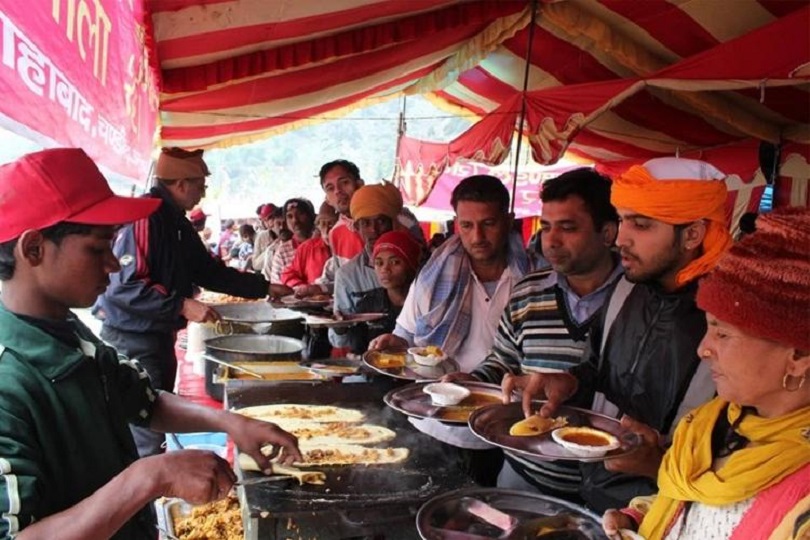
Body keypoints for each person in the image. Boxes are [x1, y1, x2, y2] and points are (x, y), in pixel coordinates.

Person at [0, 148, 301, 540]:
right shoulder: (9, 381)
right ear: (34, 248)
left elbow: (144, 399)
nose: (113, 263)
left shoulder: (68, 331)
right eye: (98, 247)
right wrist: (150, 476)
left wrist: (231, 422)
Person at [503, 157, 734, 512]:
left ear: (692, 234)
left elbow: (740, 458)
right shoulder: (628, 288)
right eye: (623, 219)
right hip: (593, 493)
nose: (621, 238)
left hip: (666, 513)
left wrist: (657, 464)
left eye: (640, 225)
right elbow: (599, 364)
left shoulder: (729, 322)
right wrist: (568, 380)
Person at [603, 208, 810, 540]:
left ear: (798, 357)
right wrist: (638, 518)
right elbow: (694, 506)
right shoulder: (709, 425)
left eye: (723, 334)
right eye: (708, 327)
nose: (703, 349)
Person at [95, 147, 292, 457]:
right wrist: (181, 305)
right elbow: (125, 286)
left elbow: (207, 270)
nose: (203, 192)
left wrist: (265, 286)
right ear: (181, 184)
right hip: (133, 339)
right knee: (146, 428)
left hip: (156, 336)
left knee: (154, 419)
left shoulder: (176, 222)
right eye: (201, 184)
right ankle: (148, 497)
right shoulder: (147, 216)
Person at [450, 168, 623, 500]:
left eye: (568, 228)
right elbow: (503, 361)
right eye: (546, 227)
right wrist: (469, 383)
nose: (551, 241)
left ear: (607, 232)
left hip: (608, 488)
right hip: (522, 474)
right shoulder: (528, 291)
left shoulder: (638, 299)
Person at [371, 175, 535, 486]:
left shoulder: (533, 278)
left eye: (488, 223)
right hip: (435, 422)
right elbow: (405, 335)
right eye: (467, 225)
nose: (477, 236)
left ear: (509, 220)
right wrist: (393, 342)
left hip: (501, 427)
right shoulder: (434, 276)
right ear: (455, 223)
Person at [304, 159, 424, 297]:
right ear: (327, 199)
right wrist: (321, 289)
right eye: (330, 188)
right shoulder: (335, 234)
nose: (338, 191)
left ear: (359, 184)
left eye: (344, 183)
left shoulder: (399, 217)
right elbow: (345, 281)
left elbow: (422, 263)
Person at [329, 183, 403, 351]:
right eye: (366, 223)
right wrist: (339, 327)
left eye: (381, 221)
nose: (374, 230)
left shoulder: (417, 266)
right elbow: (338, 342)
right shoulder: (348, 275)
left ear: (394, 223)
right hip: (366, 366)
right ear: (357, 228)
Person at [341, 230, 422, 354]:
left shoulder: (425, 305)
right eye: (379, 263)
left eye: (395, 262)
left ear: (411, 265)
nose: (385, 269)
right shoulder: (366, 306)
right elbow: (358, 353)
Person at [282, 201, 337, 292]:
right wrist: (304, 288)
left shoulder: (353, 245)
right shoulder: (307, 247)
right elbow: (288, 275)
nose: (326, 230)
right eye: (323, 224)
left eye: (331, 224)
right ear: (318, 226)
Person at [268, 198, 316, 283]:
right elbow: (278, 287)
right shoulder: (282, 252)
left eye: (300, 214)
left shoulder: (324, 244)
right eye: (290, 216)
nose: (295, 220)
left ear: (311, 217)